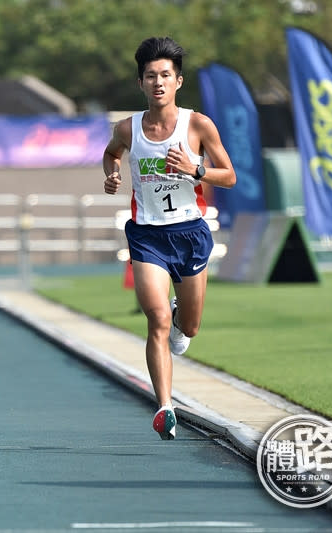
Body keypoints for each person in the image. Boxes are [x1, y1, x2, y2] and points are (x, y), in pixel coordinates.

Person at [102, 37, 236, 440]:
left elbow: (228, 175)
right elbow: (111, 153)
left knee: (188, 328)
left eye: (165, 75)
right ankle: (165, 406)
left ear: (178, 81)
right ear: (140, 83)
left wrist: (195, 169)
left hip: (190, 233)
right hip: (147, 237)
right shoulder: (127, 128)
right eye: (150, 76)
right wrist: (111, 173)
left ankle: (182, 316)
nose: (158, 82)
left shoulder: (197, 125)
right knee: (156, 320)